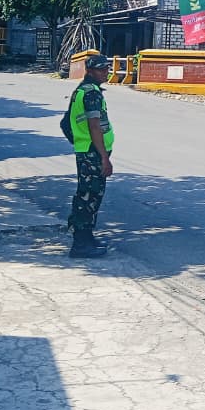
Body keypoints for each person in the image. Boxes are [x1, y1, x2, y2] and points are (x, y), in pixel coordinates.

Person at [67, 54, 115, 258]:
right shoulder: (91, 94)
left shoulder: (83, 90)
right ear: (90, 71)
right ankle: (80, 244)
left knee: (88, 194)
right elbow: (94, 126)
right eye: (101, 69)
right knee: (89, 196)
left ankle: (87, 238)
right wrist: (104, 157)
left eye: (106, 68)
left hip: (86, 149)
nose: (105, 72)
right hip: (92, 152)